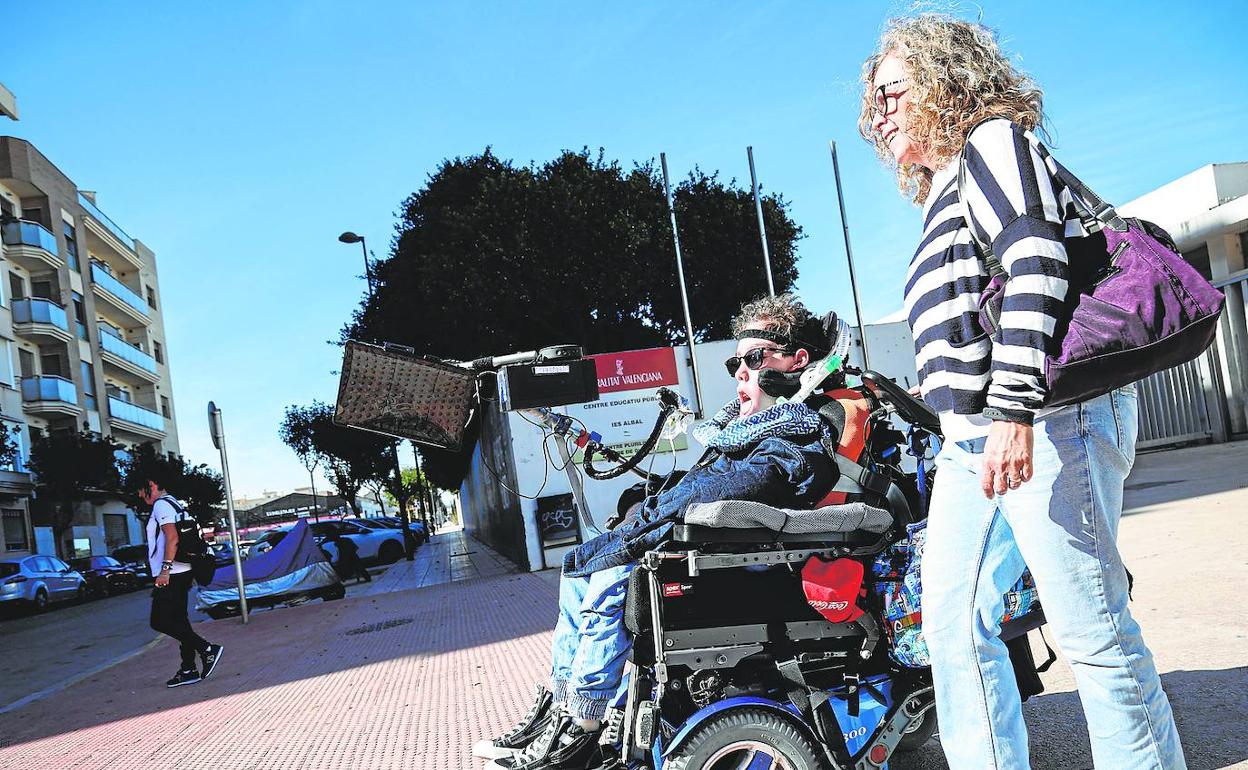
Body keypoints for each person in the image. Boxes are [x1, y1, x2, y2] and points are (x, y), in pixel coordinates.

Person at [859, 14, 1184, 769]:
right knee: (948, 623)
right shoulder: (943, 187)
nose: (882, 114)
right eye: (873, 103)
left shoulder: (992, 144)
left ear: (946, 81)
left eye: (893, 93)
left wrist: (1011, 409)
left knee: (1090, 630)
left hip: (1044, 421)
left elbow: (1037, 262)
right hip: (970, 442)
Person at [473, 295, 852, 770]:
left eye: (754, 359)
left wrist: (647, 520)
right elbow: (703, 485)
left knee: (612, 565)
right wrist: (645, 510)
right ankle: (562, 705)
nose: (739, 371)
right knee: (579, 566)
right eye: (736, 361)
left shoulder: (797, 432)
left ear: (796, 362)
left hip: (749, 558)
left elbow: (734, 489)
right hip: (715, 543)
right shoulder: (744, 432)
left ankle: (584, 721)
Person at [140, 468, 224, 688]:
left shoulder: (161, 505)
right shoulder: (175, 503)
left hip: (173, 573)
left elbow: (173, 538)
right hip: (183, 570)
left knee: (159, 620)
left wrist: (164, 570)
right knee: (179, 620)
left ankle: (206, 649)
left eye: (141, 489)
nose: (140, 495)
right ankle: (188, 670)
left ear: (152, 483)